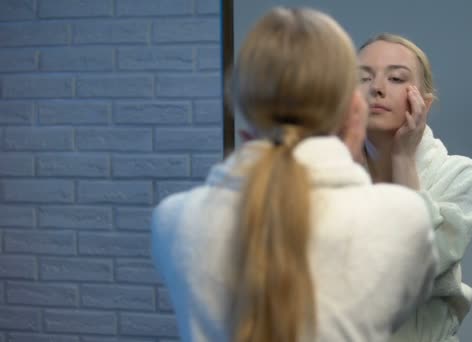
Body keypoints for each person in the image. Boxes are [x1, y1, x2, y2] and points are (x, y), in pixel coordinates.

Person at [151, 8, 438, 342]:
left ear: (243, 107)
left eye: (396, 77)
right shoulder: (404, 220)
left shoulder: (173, 219)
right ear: (354, 111)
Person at [357, 33, 472, 342]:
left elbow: (418, 271)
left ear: (424, 102)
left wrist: (403, 158)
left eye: (396, 78)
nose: (377, 88)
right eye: (363, 77)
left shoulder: (459, 175)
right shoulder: (328, 175)